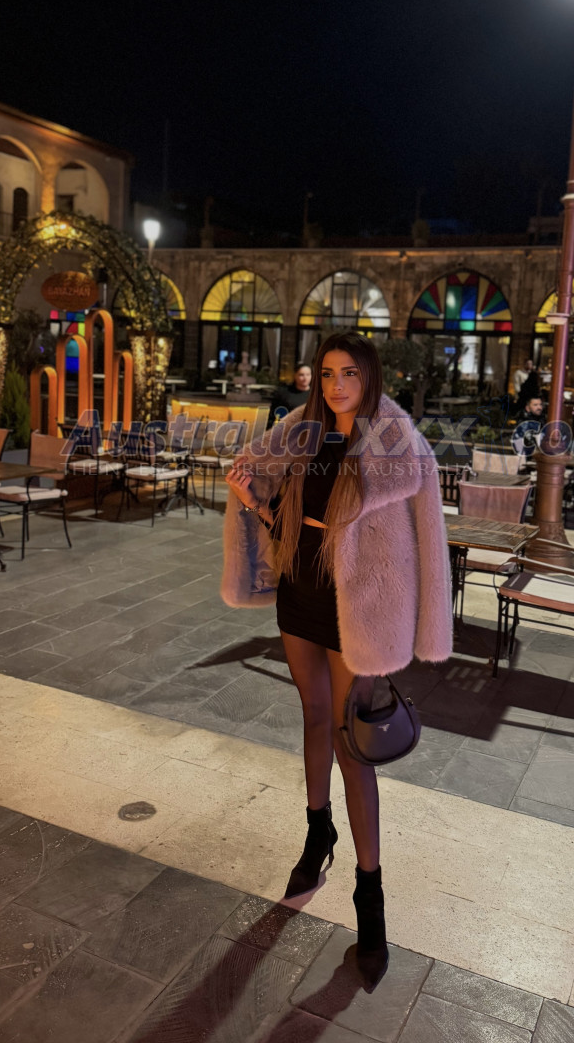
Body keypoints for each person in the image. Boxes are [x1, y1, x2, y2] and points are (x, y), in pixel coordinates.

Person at [222, 332, 453, 991]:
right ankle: (316, 832)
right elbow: (261, 486)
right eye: (326, 373)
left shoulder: (397, 442)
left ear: (369, 377)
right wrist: (259, 504)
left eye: (348, 373)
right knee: (315, 717)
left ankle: (369, 893)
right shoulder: (301, 430)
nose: (336, 385)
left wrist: (426, 627)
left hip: (361, 607)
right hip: (301, 591)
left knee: (355, 744)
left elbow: (429, 539)